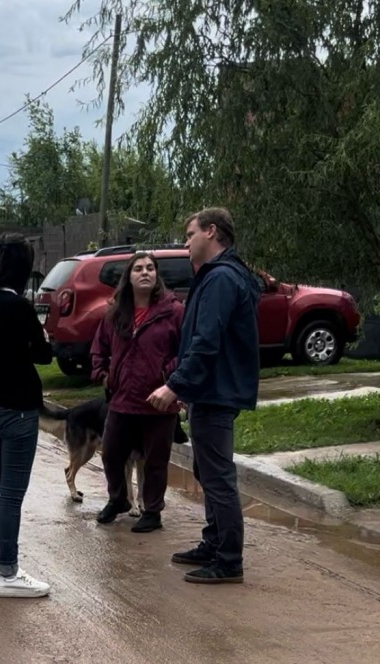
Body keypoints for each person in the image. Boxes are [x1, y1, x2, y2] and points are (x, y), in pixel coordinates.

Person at [147, 207, 260, 584]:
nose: (185, 242)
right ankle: (214, 543)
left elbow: (207, 342)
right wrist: (187, 387)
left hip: (217, 391)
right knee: (207, 471)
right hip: (210, 389)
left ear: (211, 232)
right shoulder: (216, 276)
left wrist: (176, 385)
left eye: (190, 233)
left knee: (218, 477)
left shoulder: (222, 278)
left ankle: (228, 560)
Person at [0, 233, 53, 598]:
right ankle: (9, 573)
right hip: (16, 410)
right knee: (12, 494)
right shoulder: (19, 308)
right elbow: (43, 355)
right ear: (23, 267)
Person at [90, 252, 184, 532]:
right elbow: (99, 349)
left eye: (150, 268)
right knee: (111, 455)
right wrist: (104, 376)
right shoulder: (115, 312)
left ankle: (152, 511)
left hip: (159, 402)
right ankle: (118, 499)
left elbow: (186, 351)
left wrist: (170, 375)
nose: (145, 273)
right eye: (138, 269)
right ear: (128, 277)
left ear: (157, 275)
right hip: (122, 399)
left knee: (156, 461)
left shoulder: (173, 311)